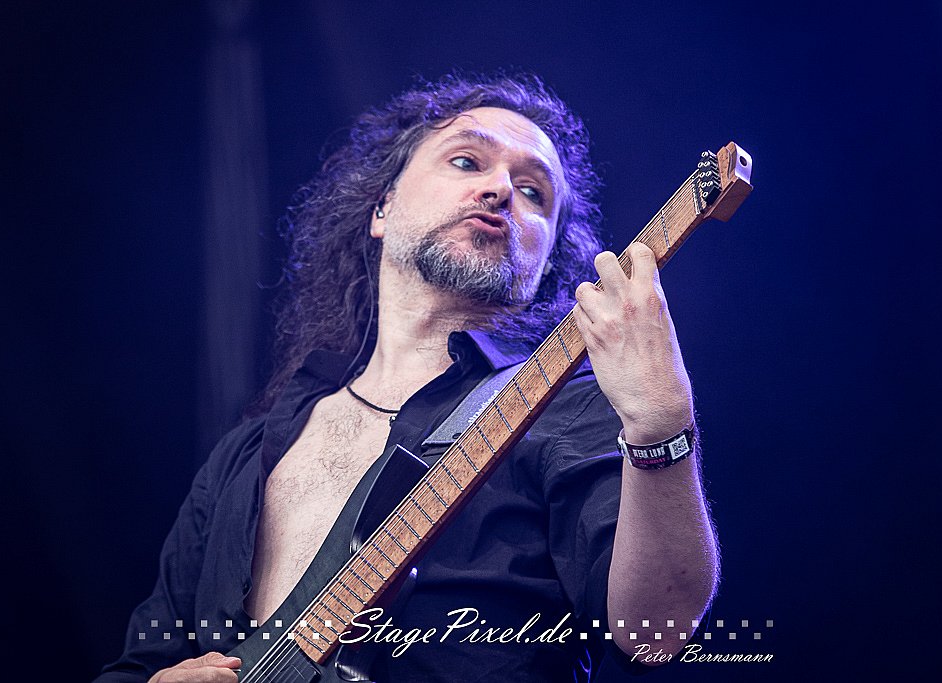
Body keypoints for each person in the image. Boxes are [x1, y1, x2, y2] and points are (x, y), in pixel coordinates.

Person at [96, 72, 719, 682]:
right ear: (383, 206)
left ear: (546, 262)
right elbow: (139, 661)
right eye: (467, 161)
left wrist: (661, 423)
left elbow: (658, 633)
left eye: (534, 192)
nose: (501, 188)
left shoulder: (569, 412)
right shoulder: (247, 453)